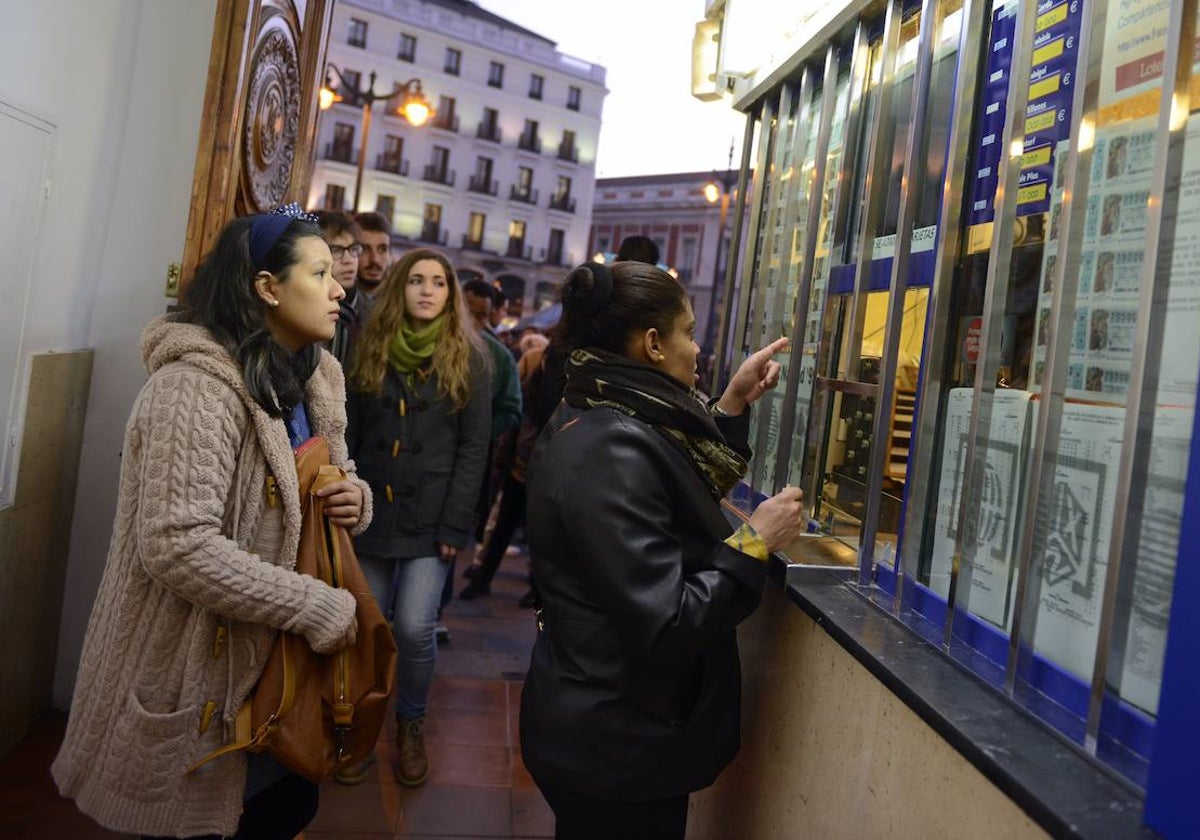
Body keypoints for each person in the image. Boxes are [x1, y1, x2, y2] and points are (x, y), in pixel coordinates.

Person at [51, 205, 368, 839]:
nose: (340, 290)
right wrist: (314, 605)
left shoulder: (317, 378)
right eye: (320, 272)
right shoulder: (194, 388)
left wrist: (354, 497)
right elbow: (176, 545)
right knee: (204, 824)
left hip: (279, 664)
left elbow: (331, 473)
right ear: (268, 287)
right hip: (198, 662)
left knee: (284, 810)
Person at [520, 260, 804, 840]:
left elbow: (664, 491)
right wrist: (755, 541)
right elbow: (666, 619)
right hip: (614, 744)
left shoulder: (603, 406)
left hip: (605, 724)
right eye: (690, 332)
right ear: (652, 344)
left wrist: (729, 406)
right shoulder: (610, 445)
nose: (696, 349)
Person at [345, 248, 491, 787]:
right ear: (399, 289)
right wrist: (348, 498)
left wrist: (457, 525)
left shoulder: (470, 357)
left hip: (433, 519)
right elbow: (350, 435)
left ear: (451, 295)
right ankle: (362, 728)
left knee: (413, 626)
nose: (427, 291)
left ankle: (410, 721)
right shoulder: (369, 349)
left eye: (438, 283)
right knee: (370, 626)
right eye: (417, 281)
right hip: (374, 511)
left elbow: (475, 448)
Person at [314, 209, 362, 364]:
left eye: (353, 249)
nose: (349, 260)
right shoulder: (305, 310)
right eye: (336, 250)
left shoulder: (370, 312)